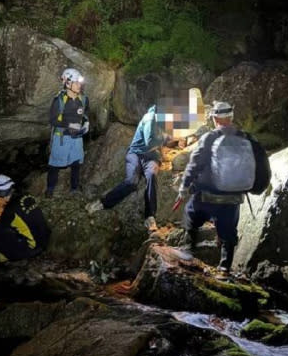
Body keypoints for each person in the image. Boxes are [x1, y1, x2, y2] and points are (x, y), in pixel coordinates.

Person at [175, 101, 267, 276]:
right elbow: (262, 166)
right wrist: (256, 188)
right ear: (231, 117)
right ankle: (224, 268)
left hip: (207, 195)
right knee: (228, 233)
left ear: (215, 118)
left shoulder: (209, 138)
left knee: (190, 216)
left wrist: (184, 187)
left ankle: (189, 251)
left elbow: (194, 164)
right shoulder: (247, 138)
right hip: (233, 197)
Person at [85, 104, 172, 232]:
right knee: (131, 182)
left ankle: (150, 217)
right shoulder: (149, 118)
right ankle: (102, 203)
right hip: (136, 153)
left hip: (152, 157)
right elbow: (149, 141)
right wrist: (166, 138)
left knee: (152, 176)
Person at [0, 174, 51, 263]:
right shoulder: (27, 196)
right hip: (44, 242)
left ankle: (0, 257)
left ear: (0, 192)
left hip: (31, 248)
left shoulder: (10, 210)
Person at [46, 68, 90, 197]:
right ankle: (50, 190)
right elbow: (53, 120)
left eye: (79, 83)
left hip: (77, 138)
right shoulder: (59, 100)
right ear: (67, 83)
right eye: (76, 83)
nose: (79, 85)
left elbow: (86, 113)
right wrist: (69, 125)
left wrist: (86, 123)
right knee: (55, 164)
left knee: (76, 163)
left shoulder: (84, 99)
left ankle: (74, 189)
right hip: (61, 138)